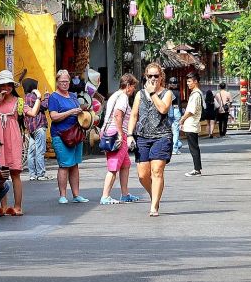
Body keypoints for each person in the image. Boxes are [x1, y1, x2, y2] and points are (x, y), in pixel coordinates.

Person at [129, 62, 174, 217]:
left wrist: (153, 93)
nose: (153, 78)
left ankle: (154, 206)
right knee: (142, 175)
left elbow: (163, 109)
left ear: (161, 77)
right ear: (145, 77)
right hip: (142, 137)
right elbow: (134, 115)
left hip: (162, 136)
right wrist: (129, 135)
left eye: (156, 75)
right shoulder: (140, 94)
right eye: (150, 76)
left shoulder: (167, 93)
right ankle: (154, 195)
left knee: (157, 171)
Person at [0, 70, 26, 216]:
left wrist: (38, 99)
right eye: (3, 85)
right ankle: (3, 206)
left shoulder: (18, 101)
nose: (6, 88)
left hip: (13, 138)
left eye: (9, 85)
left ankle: (18, 207)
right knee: (1, 172)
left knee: (15, 172)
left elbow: (30, 113)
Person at [47, 69, 91, 204]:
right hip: (61, 134)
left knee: (75, 165)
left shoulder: (72, 96)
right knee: (64, 164)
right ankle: (63, 195)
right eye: (62, 82)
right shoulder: (54, 97)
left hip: (75, 134)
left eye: (66, 81)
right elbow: (54, 116)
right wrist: (71, 111)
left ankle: (76, 194)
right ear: (57, 82)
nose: (65, 84)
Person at [99, 74, 141, 205]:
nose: (133, 90)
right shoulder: (122, 97)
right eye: (133, 87)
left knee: (125, 164)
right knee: (113, 166)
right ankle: (105, 196)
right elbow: (118, 115)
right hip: (116, 133)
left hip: (110, 131)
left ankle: (125, 194)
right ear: (128, 86)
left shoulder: (115, 95)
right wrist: (119, 134)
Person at [22, 78, 49, 182]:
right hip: (39, 126)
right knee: (40, 151)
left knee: (31, 152)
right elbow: (44, 106)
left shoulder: (25, 98)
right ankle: (41, 174)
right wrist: (47, 96)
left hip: (31, 129)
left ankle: (32, 174)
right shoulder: (33, 97)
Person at [179, 72, 204, 177]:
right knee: (194, 147)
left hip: (191, 123)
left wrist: (182, 119)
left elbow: (190, 110)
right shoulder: (197, 93)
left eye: (189, 81)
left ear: (195, 81)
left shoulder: (195, 94)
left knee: (193, 147)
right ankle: (197, 168)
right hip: (193, 123)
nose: (188, 84)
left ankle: (196, 169)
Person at [167, 76, 183, 155]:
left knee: (169, 130)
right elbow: (180, 104)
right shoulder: (178, 92)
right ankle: (175, 149)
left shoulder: (167, 92)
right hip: (176, 110)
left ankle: (169, 147)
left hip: (168, 111)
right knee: (176, 130)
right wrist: (181, 114)